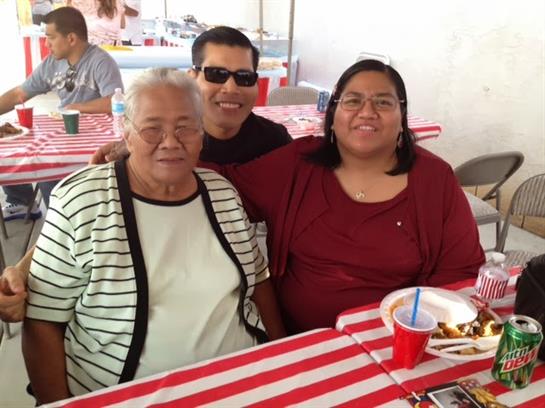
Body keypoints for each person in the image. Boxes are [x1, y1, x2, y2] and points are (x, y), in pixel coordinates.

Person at [22, 68, 285, 404]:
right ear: (126, 133)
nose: (171, 142)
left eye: (186, 127)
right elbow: (43, 317)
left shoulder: (222, 193)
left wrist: (280, 355)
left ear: (201, 132)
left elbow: (259, 281)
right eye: (152, 129)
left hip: (240, 379)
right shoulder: (81, 201)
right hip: (124, 394)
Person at [0, 25, 290, 322]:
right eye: (216, 74)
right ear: (192, 78)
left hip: (226, 278)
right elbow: (81, 220)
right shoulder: (147, 148)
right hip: (144, 282)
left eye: (244, 77)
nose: (231, 88)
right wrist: (23, 271)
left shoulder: (275, 144)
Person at [208, 59, 485, 333]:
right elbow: (226, 186)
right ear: (332, 116)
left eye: (383, 102)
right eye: (352, 101)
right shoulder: (298, 163)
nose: (367, 112)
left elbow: (459, 272)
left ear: (402, 119)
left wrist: (415, 329)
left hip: (393, 343)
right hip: (295, 340)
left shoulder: (435, 180)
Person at [0, 6, 123, 218]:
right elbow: (19, 93)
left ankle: (63, 224)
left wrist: (77, 108)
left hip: (94, 141)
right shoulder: (51, 64)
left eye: (50, 37)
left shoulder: (101, 62)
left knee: (52, 178)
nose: (46, 43)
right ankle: (21, 202)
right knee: (9, 149)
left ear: (71, 38)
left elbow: (116, 101)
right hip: (63, 134)